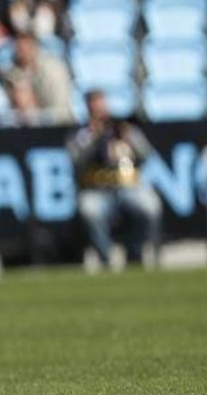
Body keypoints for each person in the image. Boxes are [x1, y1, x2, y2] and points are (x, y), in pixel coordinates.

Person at [68, 91, 162, 272]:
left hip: (128, 186)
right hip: (97, 188)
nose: (99, 110)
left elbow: (147, 154)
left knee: (150, 206)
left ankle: (135, 254)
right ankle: (106, 259)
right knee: (89, 210)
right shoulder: (81, 133)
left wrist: (129, 138)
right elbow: (75, 160)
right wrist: (94, 138)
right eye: (94, 106)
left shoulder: (123, 128)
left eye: (101, 105)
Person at [2, 35, 73, 126]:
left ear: (33, 48)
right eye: (17, 49)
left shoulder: (53, 69)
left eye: (23, 49)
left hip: (59, 126)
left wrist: (37, 117)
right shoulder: (13, 72)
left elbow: (62, 111)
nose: (19, 53)